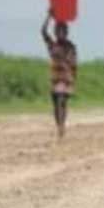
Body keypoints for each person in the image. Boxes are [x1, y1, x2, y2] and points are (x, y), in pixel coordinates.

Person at [41, 9, 77, 139]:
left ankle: (62, 126)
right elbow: (43, 32)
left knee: (62, 101)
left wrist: (73, 81)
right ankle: (59, 125)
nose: (60, 33)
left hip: (66, 79)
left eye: (63, 31)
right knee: (56, 104)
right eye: (58, 31)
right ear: (55, 32)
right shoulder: (53, 45)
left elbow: (74, 64)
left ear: (66, 33)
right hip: (55, 78)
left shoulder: (71, 46)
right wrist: (48, 17)